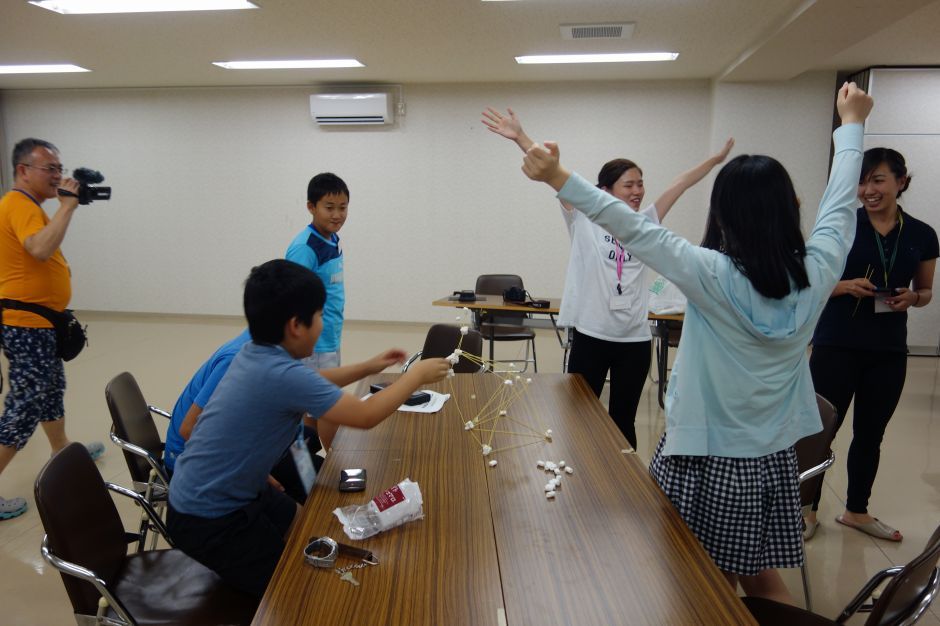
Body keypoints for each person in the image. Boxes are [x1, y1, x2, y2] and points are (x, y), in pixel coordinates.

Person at [516, 83, 873, 603]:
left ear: (725, 215)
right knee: (753, 572)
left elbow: (630, 228)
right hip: (772, 456)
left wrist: (556, 177)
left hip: (706, 457)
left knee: (702, 585)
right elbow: (841, 208)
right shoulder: (817, 273)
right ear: (786, 211)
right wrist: (852, 126)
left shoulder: (712, 273)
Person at [167, 259, 449, 597]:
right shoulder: (281, 373)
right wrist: (414, 376)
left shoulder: (256, 354)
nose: (322, 324)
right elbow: (365, 416)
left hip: (224, 491)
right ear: (296, 326)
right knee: (290, 590)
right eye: (319, 316)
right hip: (209, 518)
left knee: (306, 526)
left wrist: (368, 367)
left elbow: (312, 382)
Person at [482, 107, 733, 449]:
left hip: (634, 341)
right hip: (592, 337)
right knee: (579, 417)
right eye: (628, 185)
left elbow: (680, 183)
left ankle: (621, 488)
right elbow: (552, 172)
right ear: (605, 190)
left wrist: (715, 160)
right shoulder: (584, 217)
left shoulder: (647, 222)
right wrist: (521, 137)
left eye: (640, 184)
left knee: (623, 423)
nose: (637, 191)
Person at [805, 148, 937, 543]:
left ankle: (856, 511)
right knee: (819, 432)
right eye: (862, 182)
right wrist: (844, 286)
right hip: (836, 344)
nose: (868, 190)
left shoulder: (922, 234)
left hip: (888, 350)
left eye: (877, 180)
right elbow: (810, 282)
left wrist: (912, 299)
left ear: (901, 181)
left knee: (870, 433)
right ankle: (806, 511)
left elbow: (926, 290)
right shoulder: (840, 226)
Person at [0, 138, 104, 521]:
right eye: (50, 169)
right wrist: (67, 206)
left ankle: (61, 449)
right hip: (26, 326)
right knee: (23, 408)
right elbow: (40, 249)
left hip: (40, 324)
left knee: (50, 391)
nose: (58, 176)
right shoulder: (19, 205)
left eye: (60, 168)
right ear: (23, 170)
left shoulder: (29, 207)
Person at [285, 172, 349, 370]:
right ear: (311, 207)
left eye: (343, 208)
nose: (337, 215)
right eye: (329, 208)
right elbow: (292, 299)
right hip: (313, 345)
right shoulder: (305, 248)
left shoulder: (332, 239)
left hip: (330, 337)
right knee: (318, 400)